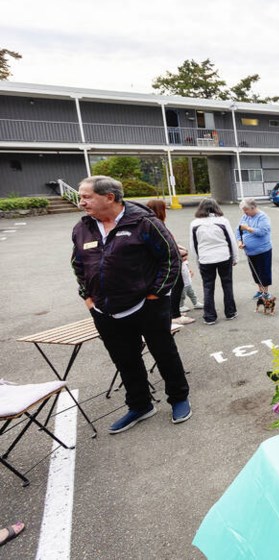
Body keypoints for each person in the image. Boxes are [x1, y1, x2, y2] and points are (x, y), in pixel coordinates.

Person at [71, 176, 191, 433]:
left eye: (86, 196)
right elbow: (78, 265)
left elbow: (170, 259)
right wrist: (88, 298)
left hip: (146, 306)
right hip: (104, 310)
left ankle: (179, 398)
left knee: (164, 353)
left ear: (109, 197)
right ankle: (139, 405)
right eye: (81, 197)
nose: (81, 202)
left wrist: (155, 295)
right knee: (125, 360)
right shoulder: (83, 228)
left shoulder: (144, 223)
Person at [145, 199, 195, 327]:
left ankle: (173, 312)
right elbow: (164, 245)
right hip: (168, 263)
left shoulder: (150, 223)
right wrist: (178, 252)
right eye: (164, 208)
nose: (166, 211)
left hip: (167, 261)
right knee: (176, 286)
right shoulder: (156, 224)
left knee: (175, 287)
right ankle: (175, 316)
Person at [190, 198, 238, 325]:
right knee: (227, 284)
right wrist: (235, 257)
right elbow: (231, 240)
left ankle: (209, 316)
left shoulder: (194, 223)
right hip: (223, 256)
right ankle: (230, 312)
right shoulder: (223, 221)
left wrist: (197, 260)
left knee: (208, 286)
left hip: (205, 259)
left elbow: (193, 244)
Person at [236, 197, 273, 299]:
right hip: (250, 252)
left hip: (263, 250)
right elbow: (238, 230)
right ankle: (260, 290)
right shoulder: (245, 217)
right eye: (243, 210)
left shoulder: (262, 217)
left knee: (264, 271)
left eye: (246, 210)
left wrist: (247, 228)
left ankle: (266, 292)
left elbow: (262, 232)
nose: (245, 212)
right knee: (255, 271)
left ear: (253, 208)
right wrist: (240, 241)